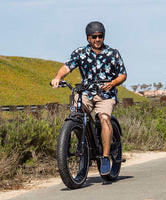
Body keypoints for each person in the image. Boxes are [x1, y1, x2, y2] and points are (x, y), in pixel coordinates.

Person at [51, 21, 127, 175]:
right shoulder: (80, 53)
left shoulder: (113, 53)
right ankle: (83, 143)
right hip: (86, 92)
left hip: (106, 94)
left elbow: (123, 74)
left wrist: (113, 83)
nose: (97, 39)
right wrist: (58, 77)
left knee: (104, 118)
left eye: (100, 36)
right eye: (94, 37)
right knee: (76, 113)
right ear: (88, 38)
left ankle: (105, 157)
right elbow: (67, 67)